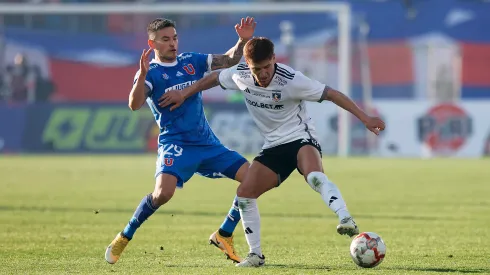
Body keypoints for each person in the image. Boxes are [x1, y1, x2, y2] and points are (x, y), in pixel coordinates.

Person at [159, 37, 386, 267]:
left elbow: (332, 94)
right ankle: (255, 255)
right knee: (245, 193)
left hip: (301, 138)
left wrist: (365, 118)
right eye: (258, 69)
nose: (264, 73)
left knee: (315, 177)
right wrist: (184, 93)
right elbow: (215, 78)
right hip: (273, 147)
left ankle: (345, 217)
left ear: (274, 59)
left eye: (267, 66)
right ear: (248, 65)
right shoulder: (240, 75)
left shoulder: (292, 80)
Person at [105, 17, 257, 264]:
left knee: (253, 178)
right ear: (152, 43)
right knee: (162, 194)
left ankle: (224, 233)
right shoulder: (151, 73)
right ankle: (125, 235)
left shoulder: (191, 61)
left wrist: (242, 40)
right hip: (175, 144)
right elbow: (134, 105)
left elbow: (229, 60)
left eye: (174, 37)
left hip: (207, 144)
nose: (172, 43)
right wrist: (142, 75)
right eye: (165, 39)